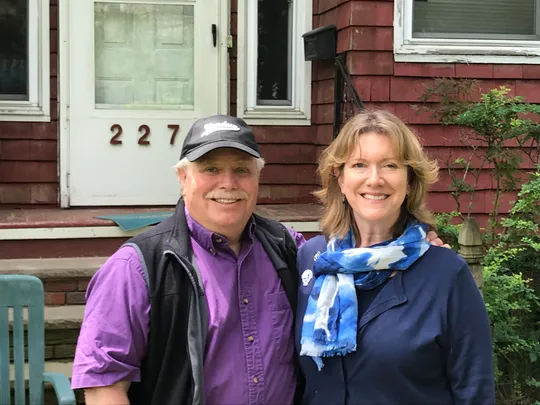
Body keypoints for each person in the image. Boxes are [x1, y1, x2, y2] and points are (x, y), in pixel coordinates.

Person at [71, 114, 445, 405]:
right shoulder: (138, 268)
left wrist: (414, 245)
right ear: (183, 178)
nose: (228, 183)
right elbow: (104, 386)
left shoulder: (286, 247)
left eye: (241, 170)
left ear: (257, 180)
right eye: (211, 169)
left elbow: (350, 261)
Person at [295, 110, 495, 405]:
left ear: (410, 180)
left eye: (389, 165)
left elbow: (474, 391)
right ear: (340, 178)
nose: (374, 180)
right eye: (359, 165)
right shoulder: (311, 259)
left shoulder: (446, 275)